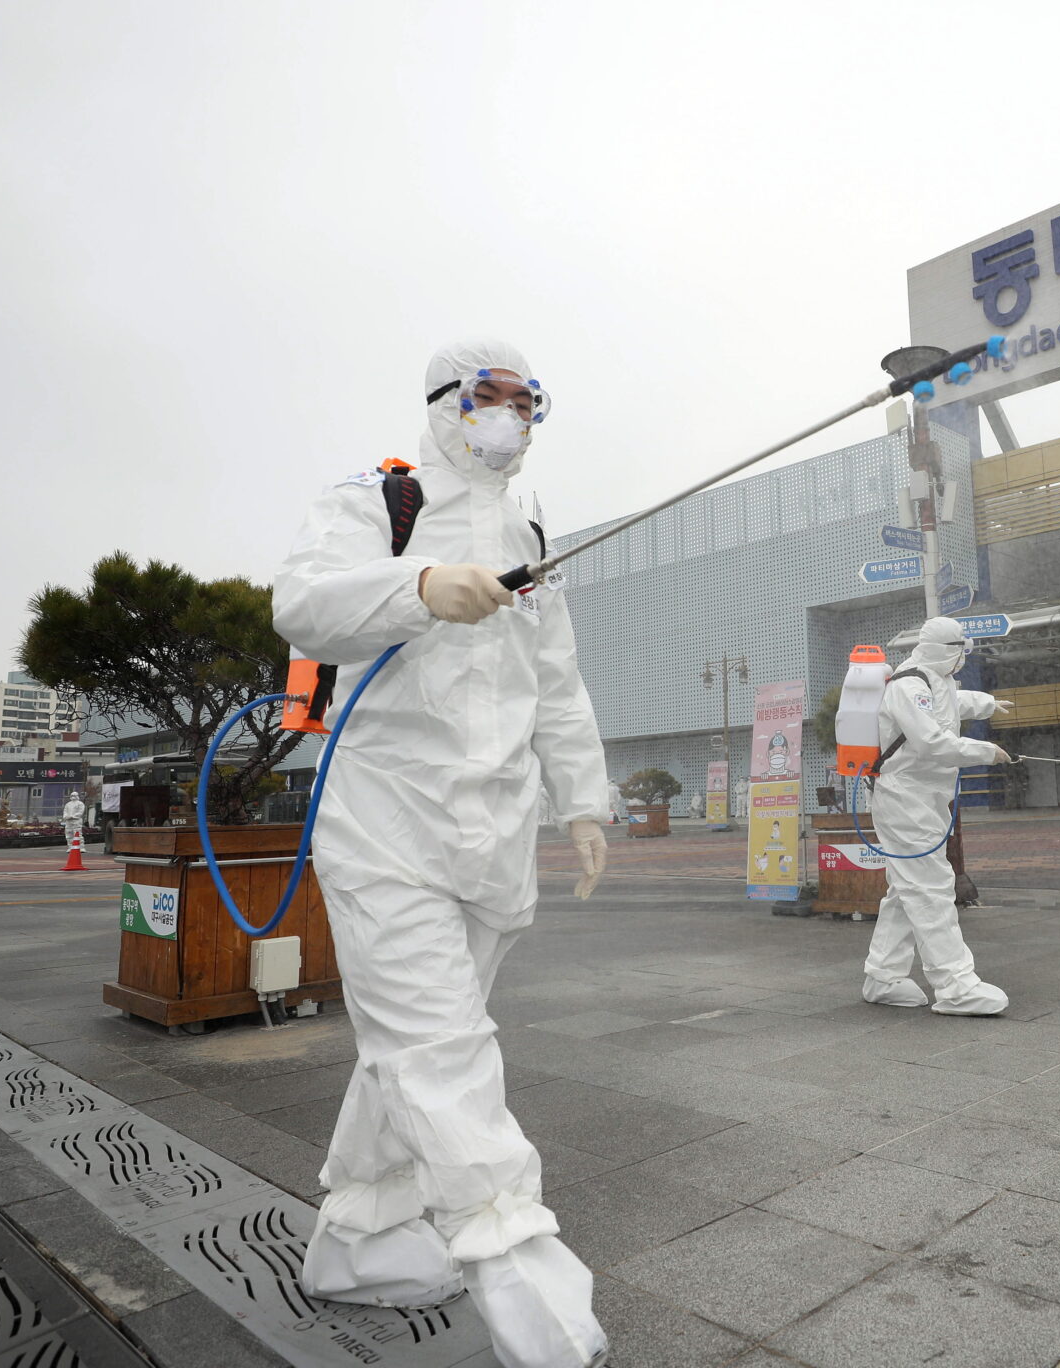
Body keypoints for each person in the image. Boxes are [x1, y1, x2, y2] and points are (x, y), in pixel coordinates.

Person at [272, 338, 609, 1368]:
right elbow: (303, 606)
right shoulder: (378, 499)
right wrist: (418, 587)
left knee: (418, 1041)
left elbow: (555, 678)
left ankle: (362, 1239)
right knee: (440, 1048)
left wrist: (583, 800)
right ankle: (519, 1269)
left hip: (494, 833)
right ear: (442, 402)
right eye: (488, 396)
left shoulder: (531, 529)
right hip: (384, 823)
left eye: (526, 402)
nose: (508, 416)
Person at [862, 616, 1012, 1015]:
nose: (963, 657)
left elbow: (953, 702)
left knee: (906, 889)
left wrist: (989, 704)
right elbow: (930, 741)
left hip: (926, 798)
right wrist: (984, 751)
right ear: (944, 650)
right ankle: (955, 984)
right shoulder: (908, 685)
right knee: (930, 887)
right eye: (959, 649)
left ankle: (883, 976)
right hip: (904, 799)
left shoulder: (934, 680)